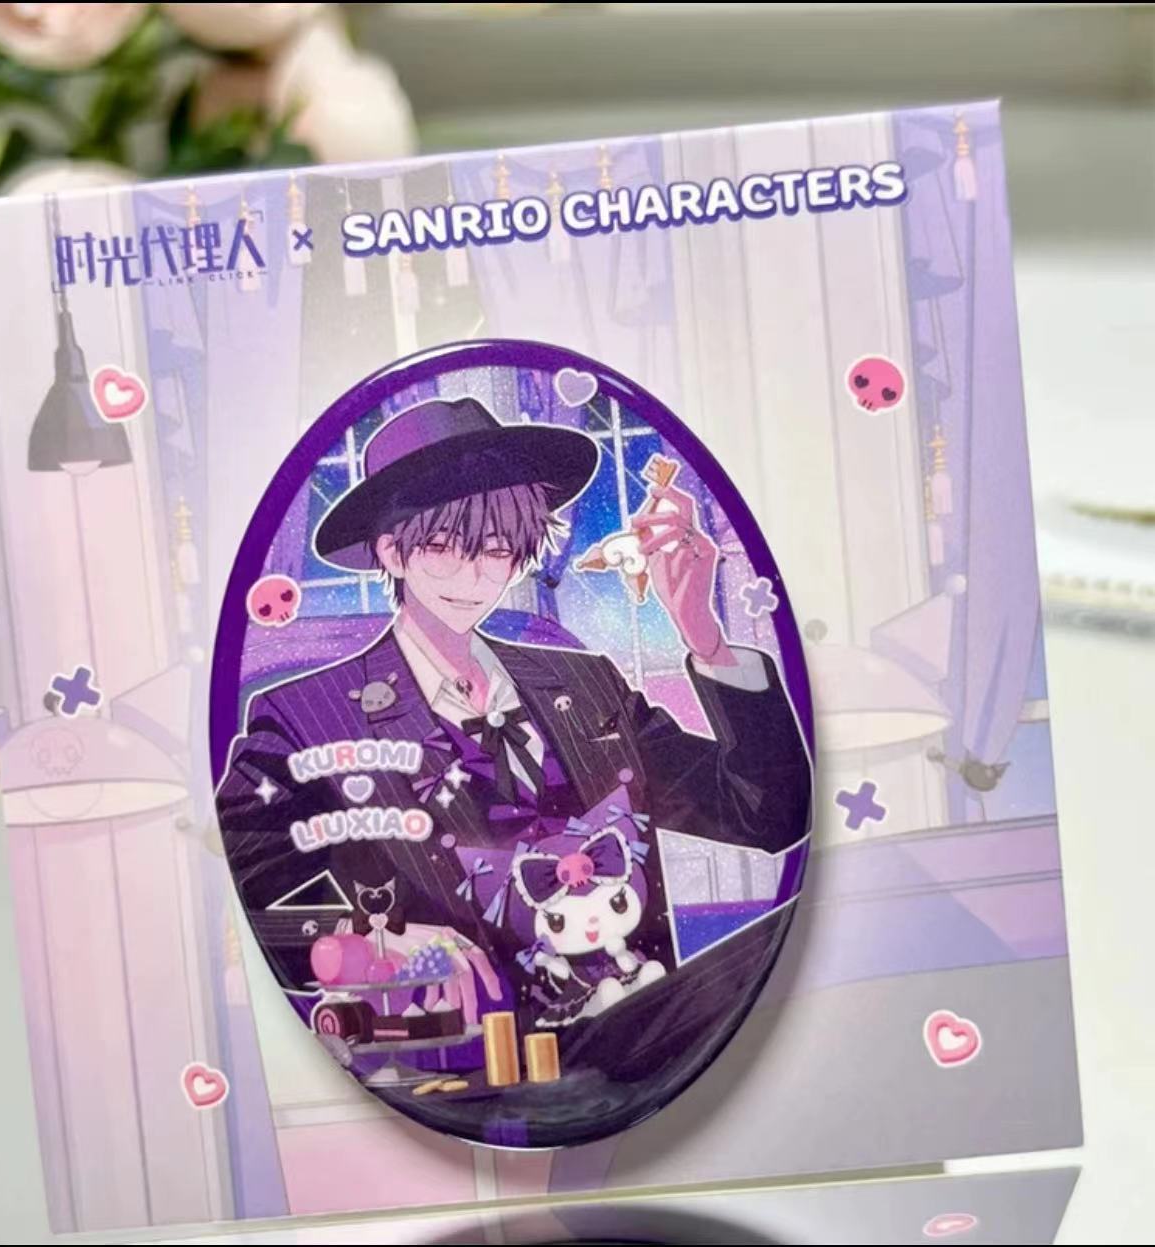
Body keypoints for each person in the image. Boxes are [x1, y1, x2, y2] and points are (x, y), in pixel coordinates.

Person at [216, 396, 811, 1056]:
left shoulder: (584, 683)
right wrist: (370, 943)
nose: (473, 575)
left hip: (650, 1033)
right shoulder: (307, 717)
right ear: (391, 551)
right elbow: (239, 889)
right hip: (468, 1064)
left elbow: (771, 815)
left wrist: (707, 639)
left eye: (497, 549)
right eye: (441, 547)